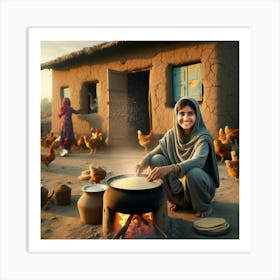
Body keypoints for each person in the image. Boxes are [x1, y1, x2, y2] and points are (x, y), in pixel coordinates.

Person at [136, 97, 219, 218]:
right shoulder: (172, 135)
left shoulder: (203, 137)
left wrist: (170, 168)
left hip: (201, 185)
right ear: (176, 115)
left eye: (190, 113)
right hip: (181, 185)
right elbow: (155, 152)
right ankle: (178, 201)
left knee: (193, 173)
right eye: (182, 114)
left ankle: (203, 206)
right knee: (156, 160)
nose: (185, 118)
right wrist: (142, 164)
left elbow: (198, 161)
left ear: (197, 115)